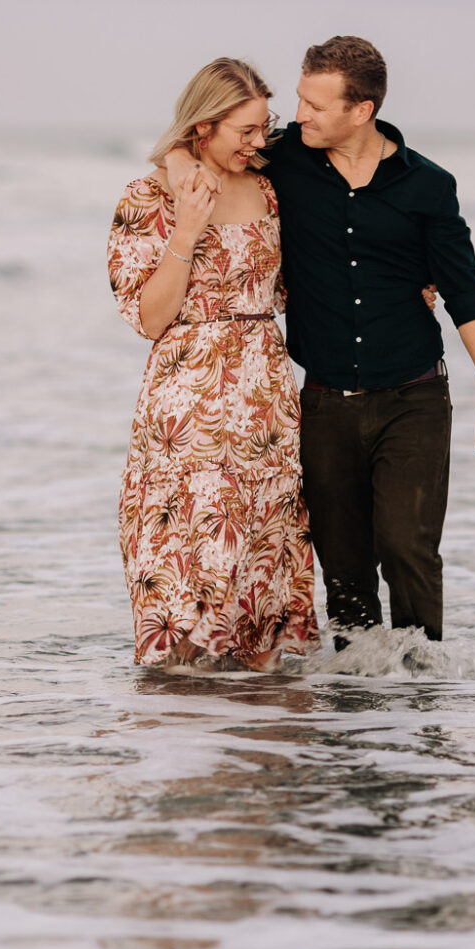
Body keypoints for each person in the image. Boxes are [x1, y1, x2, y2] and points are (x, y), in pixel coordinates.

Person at [165, 36, 475, 650]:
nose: (299, 116)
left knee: (407, 549)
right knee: (344, 568)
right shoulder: (285, 160)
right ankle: (355, 714)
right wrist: (179, 175)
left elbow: (466, 293)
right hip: (324, 402)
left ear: (363, 110)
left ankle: (419, 694)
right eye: (299, 101)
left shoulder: (428, 186)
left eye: (315, 106)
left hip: (413, 397)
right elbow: (197, 147)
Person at [107, 58, 318, 670]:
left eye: (264, 127)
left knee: (261, 536)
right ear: (204, 126)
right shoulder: (147, 197)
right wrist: (188, 229)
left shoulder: (270, 184)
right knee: (190, 539)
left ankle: (251, 722)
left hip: (265, 390)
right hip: (188, 396)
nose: (259, 142)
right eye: (245, 131)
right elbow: (149, 318)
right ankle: (181, 711)